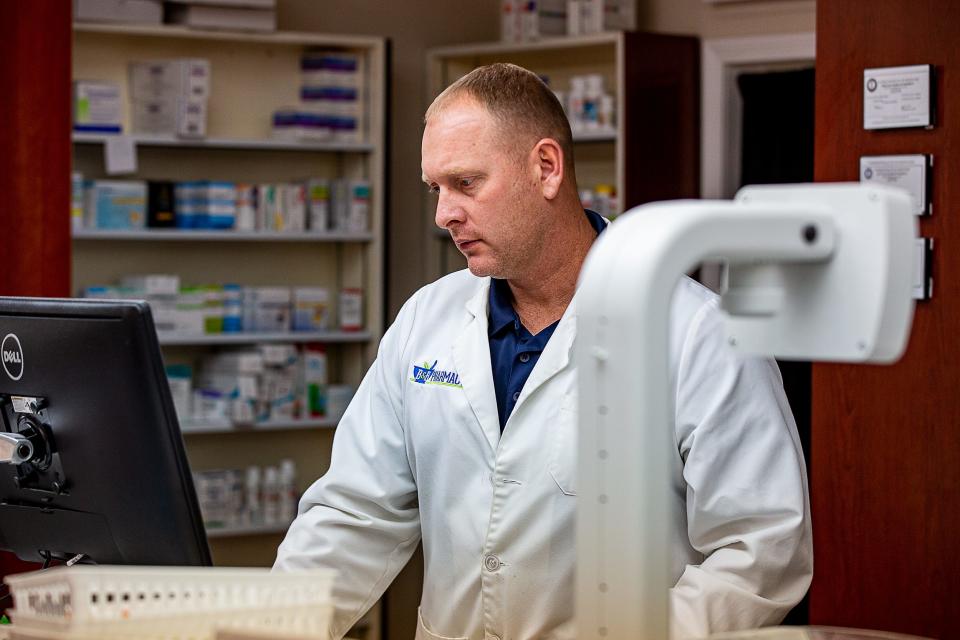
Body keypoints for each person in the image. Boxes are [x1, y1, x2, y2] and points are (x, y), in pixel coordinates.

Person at [275, 63, 812, 640]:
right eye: (436, 189)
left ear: (546, 168)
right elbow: (358, 513)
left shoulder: (697, 332)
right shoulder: (426, 320)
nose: (443, 214)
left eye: (466, 183)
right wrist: (265, 628)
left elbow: (758, 550)